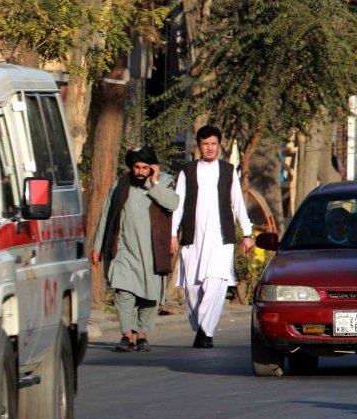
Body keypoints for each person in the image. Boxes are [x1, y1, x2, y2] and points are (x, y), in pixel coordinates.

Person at [171, 125, 254, 349]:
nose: (210, 148)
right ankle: (201, 326)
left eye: (213, 144)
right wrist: (172, 232)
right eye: (205, 144)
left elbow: (238, 204)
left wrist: (247, 233)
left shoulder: (228, 171)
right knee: (192, 289)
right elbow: (178, 205)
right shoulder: (187, 171)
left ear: (219, 146)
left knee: (216, 283)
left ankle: (206, 333)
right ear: (199, 146)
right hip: (193, 239)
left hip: (221, 240)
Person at [90, 147, 179, 352]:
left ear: (153, 167)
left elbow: (172, 204)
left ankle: (142, 335)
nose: (140, 172)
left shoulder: (164, 182)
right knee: (123, 291)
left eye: (145, 168)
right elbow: (107, 216)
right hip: (124, 250)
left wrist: (154, 182)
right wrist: (97, 246)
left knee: (150, 296)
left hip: (152, 253)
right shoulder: (120, 185)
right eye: (136, 167)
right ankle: (127, 335)